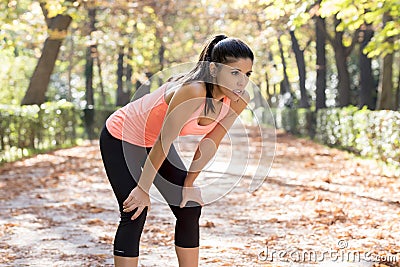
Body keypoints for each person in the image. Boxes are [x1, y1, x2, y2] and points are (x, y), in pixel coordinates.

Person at [99, 34, 254, 267]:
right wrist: (143, 188)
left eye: (247, 75)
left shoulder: (239, 100)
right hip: (121, 137)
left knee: (189, 207)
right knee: (135, 211)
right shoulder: (192, 92)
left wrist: (189, 185)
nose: (242, 82)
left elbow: (211, 142)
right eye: (234, 73)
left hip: (154, 141)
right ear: (213, 69)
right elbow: (164, 140)